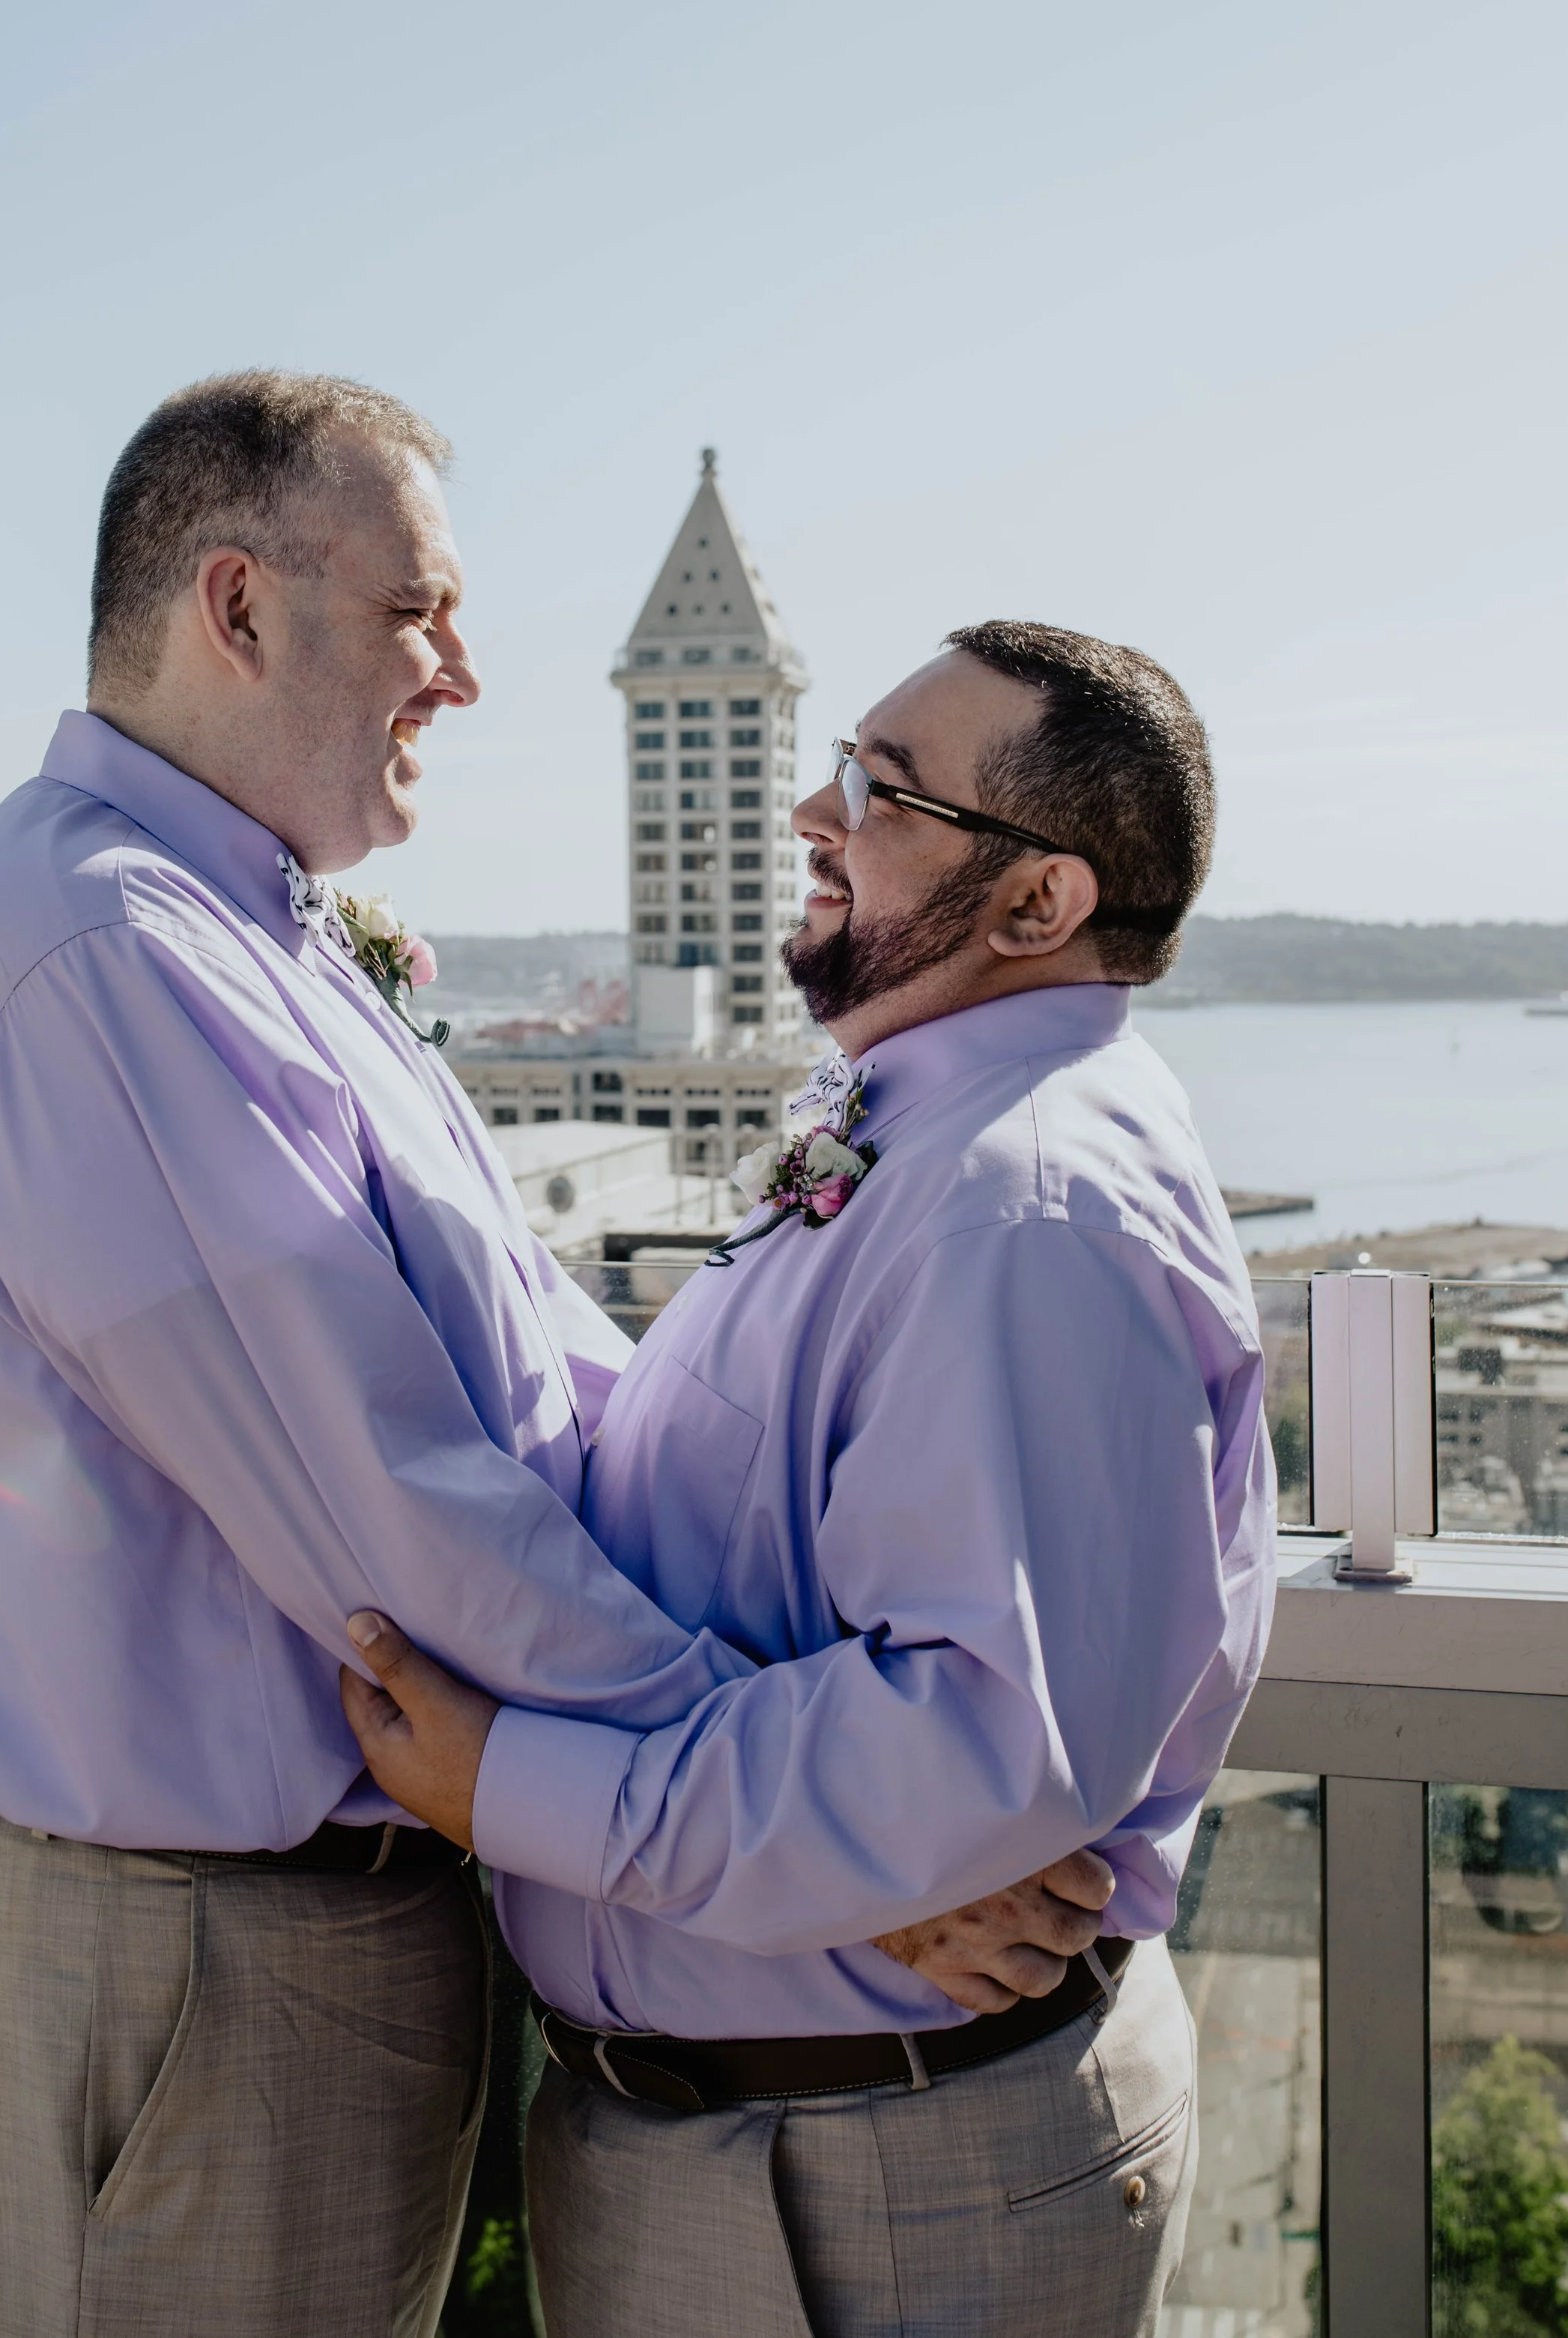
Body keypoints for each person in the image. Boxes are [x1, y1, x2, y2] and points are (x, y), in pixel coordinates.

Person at [0, 375, 1107, 2338]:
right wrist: (829, 1833)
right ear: (240, 608)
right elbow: (401, 1520)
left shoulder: (239, 932)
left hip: (295, 1945)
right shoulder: (97, 958)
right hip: (175, 1960)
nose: (467, 675)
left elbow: (542, 1385)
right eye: (421, 608)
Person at [343, 620, 1278, 2338]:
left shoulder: (1022, 1212)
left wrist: (520, 1792)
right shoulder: (928, 1137)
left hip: (873, 2172)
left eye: (880, 789)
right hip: (785, 2136)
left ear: (1037, 905)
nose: (807, 811)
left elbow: (973, 1749)